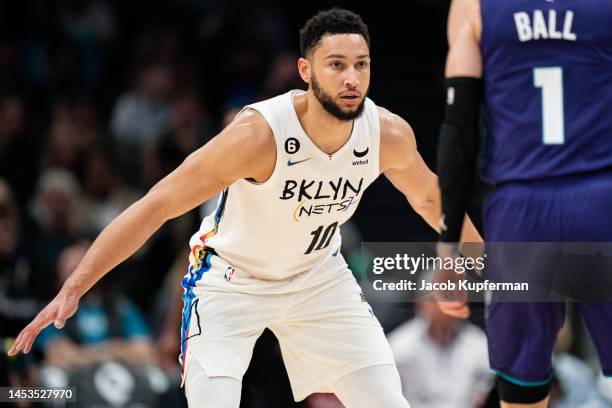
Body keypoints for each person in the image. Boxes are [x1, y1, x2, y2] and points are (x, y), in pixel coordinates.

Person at [9, 8, 480, 408]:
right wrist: (73, 287)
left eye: (362, 64)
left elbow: (433, 201)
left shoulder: (387, 134)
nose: (352, 77)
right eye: (336, 64)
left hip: (318, 279)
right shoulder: (258, 136)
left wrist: (489, 268)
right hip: (231, 283)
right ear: (305, 70)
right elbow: (157, 206)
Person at [436, 1, 612, 407]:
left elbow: (458, 133)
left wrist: (449, 248)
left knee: (521, 388)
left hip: (521, 209)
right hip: (601, 198)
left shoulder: (473, 7)